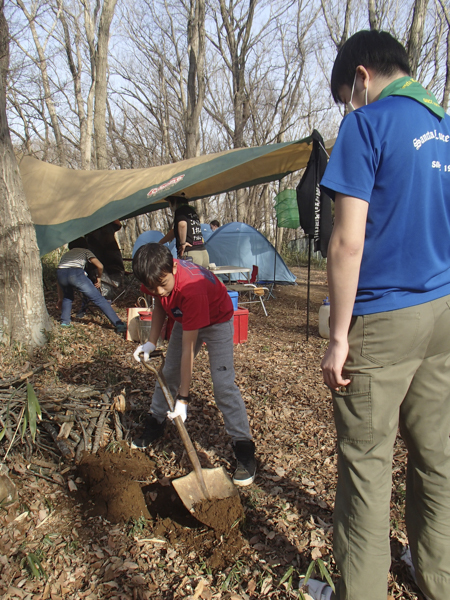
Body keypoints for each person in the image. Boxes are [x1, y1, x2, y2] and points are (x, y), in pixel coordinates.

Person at [302, 30, 450, 600]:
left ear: (361, 76)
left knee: (366, 468)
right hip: (441, 314)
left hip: (385, 319)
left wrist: (338, 335)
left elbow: (346, 243)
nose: (348, 107)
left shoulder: (367, 124)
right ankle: (436, 576)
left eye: (347, 95)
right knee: (435, 456)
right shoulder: (442, 125)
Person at [130, 243, 256, 486]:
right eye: (153, 286)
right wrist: (151, 342)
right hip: (184, 316)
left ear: (173, 270)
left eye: (163, 284)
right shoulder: (156, 275)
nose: (159, 290)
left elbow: (189, 348)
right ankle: (155, 422)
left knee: (222, 385)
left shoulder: (191, 288)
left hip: (217, 319)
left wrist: (183, 399)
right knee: (168, 373)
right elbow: (159, 303)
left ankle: (244, 447)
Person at [56, 237, 127, 333]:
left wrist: (60, 298)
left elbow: (58, 281)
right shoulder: (85, 251)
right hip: (76, 274)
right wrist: (99, 278)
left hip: (61, 273)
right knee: (99, 299)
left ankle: (65, 322)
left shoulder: (66, 255)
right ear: (85, 244)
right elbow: (100, 266)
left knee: (67, 298)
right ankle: (118, 324)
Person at [159, 195, 210, 267]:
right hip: (203, 253)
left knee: (189, 278)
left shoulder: (180, 211)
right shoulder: (192, 212)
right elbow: (175, 231)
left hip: (190, 254)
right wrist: (160, 243)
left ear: (174, 202)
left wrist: (182, 243)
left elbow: (182, 225)